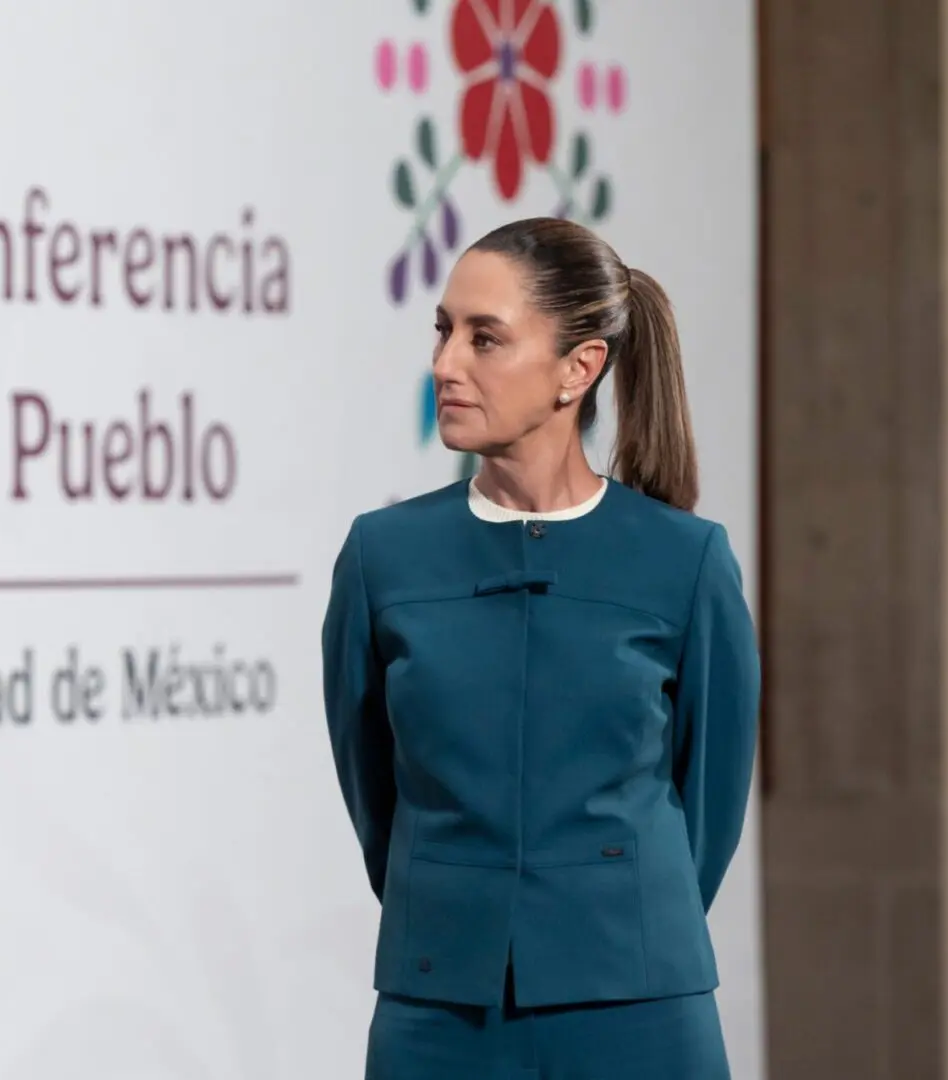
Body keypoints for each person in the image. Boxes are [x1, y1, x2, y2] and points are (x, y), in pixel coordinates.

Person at [322, 217, 759, 1079]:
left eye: (485, 338)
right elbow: (373, 790)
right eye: (444, 331)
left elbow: (707, 803)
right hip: (437, 1012)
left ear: (578, 369)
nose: (447, 364)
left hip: (639, 1011)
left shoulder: (686, 560)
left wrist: (617, 914)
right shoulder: (382, 556)